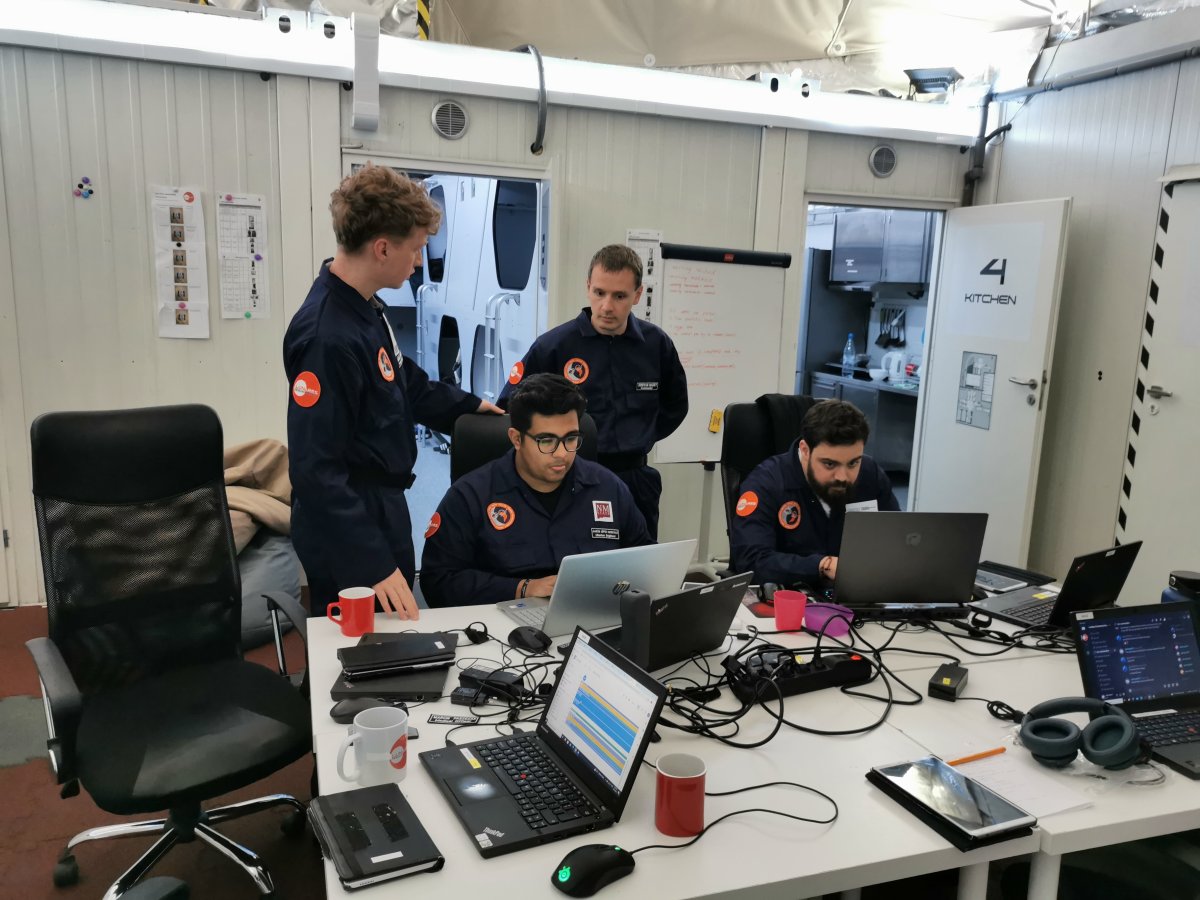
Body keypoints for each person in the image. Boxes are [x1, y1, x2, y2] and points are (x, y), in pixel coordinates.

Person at [284, 164, 500, 619]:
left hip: (383, 507)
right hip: (350, 522)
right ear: (382, 248)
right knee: (360, 654)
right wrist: (371, 563)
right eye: (417, 248)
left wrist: (471, 406)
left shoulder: (364, 308)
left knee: (393, 642)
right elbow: (315, 470)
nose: (419, 261)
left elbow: (403, 381)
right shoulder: (329, 336)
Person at [499, 244, 687, 540]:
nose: (607, 306)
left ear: (637, 295)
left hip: (634, 478)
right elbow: (510, 408)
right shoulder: (553, 347)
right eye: (599, 293)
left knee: (641, 570)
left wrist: (640, 435)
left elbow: (675, 406)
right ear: (588, 288)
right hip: (571, 479)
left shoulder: (656, 345)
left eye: (619, 296)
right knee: (575, 568)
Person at [420, 374, 652, 607]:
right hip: (501, 626)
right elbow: (438, 582)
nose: (561, 453)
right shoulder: (470, 496)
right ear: (517, 439)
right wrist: (522, 588)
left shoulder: (608, 488)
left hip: (592, 618)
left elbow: (647, 562)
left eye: (571, 438)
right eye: (546, 441)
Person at [729, 399, 899, 588]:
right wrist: (822, 566)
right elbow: (752, 562)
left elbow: (897, 542)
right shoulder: (767, 482)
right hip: (789, 598)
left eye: (853, 463)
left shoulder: (870, 475)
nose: (842, 476)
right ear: (805, 450)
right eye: (829, 464)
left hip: (861, 594)